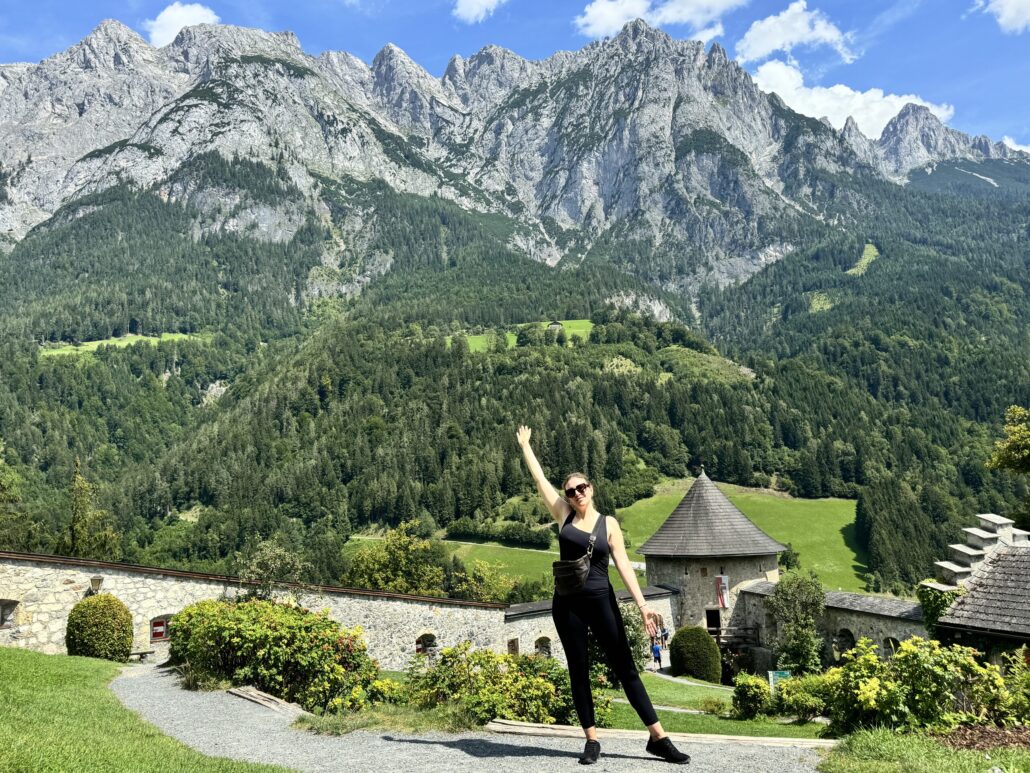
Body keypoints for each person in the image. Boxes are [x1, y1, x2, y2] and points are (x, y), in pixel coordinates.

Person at [517, 425, 690, 766]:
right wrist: (526, 447)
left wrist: (642, 606)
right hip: (567, 606)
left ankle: (659, 738)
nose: (576, 493)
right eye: (570, 491)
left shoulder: (608, 524)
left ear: (591, 489)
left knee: (626, 668)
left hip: (601, 603)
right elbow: (540, 481)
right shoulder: (563, 516)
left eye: (581, 488)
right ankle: (591, 740)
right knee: (578, 670)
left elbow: (623, 564)